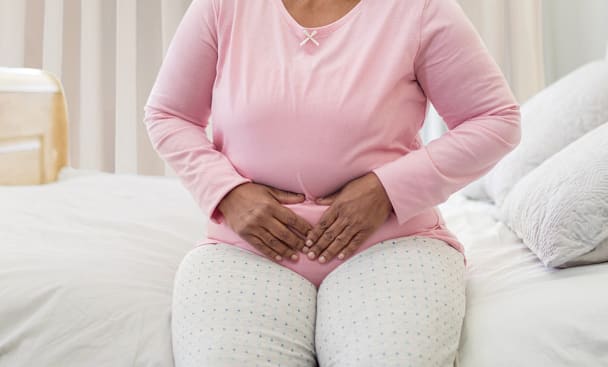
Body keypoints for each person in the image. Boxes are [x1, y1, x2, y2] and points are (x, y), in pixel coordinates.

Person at [143, 0, 521, 365]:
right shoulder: (222, 6)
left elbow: (495, 120)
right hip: (246, 247)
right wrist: (228, 192)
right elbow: (167, 114)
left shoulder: (419, 9)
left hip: (392, 245)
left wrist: (386, 190)